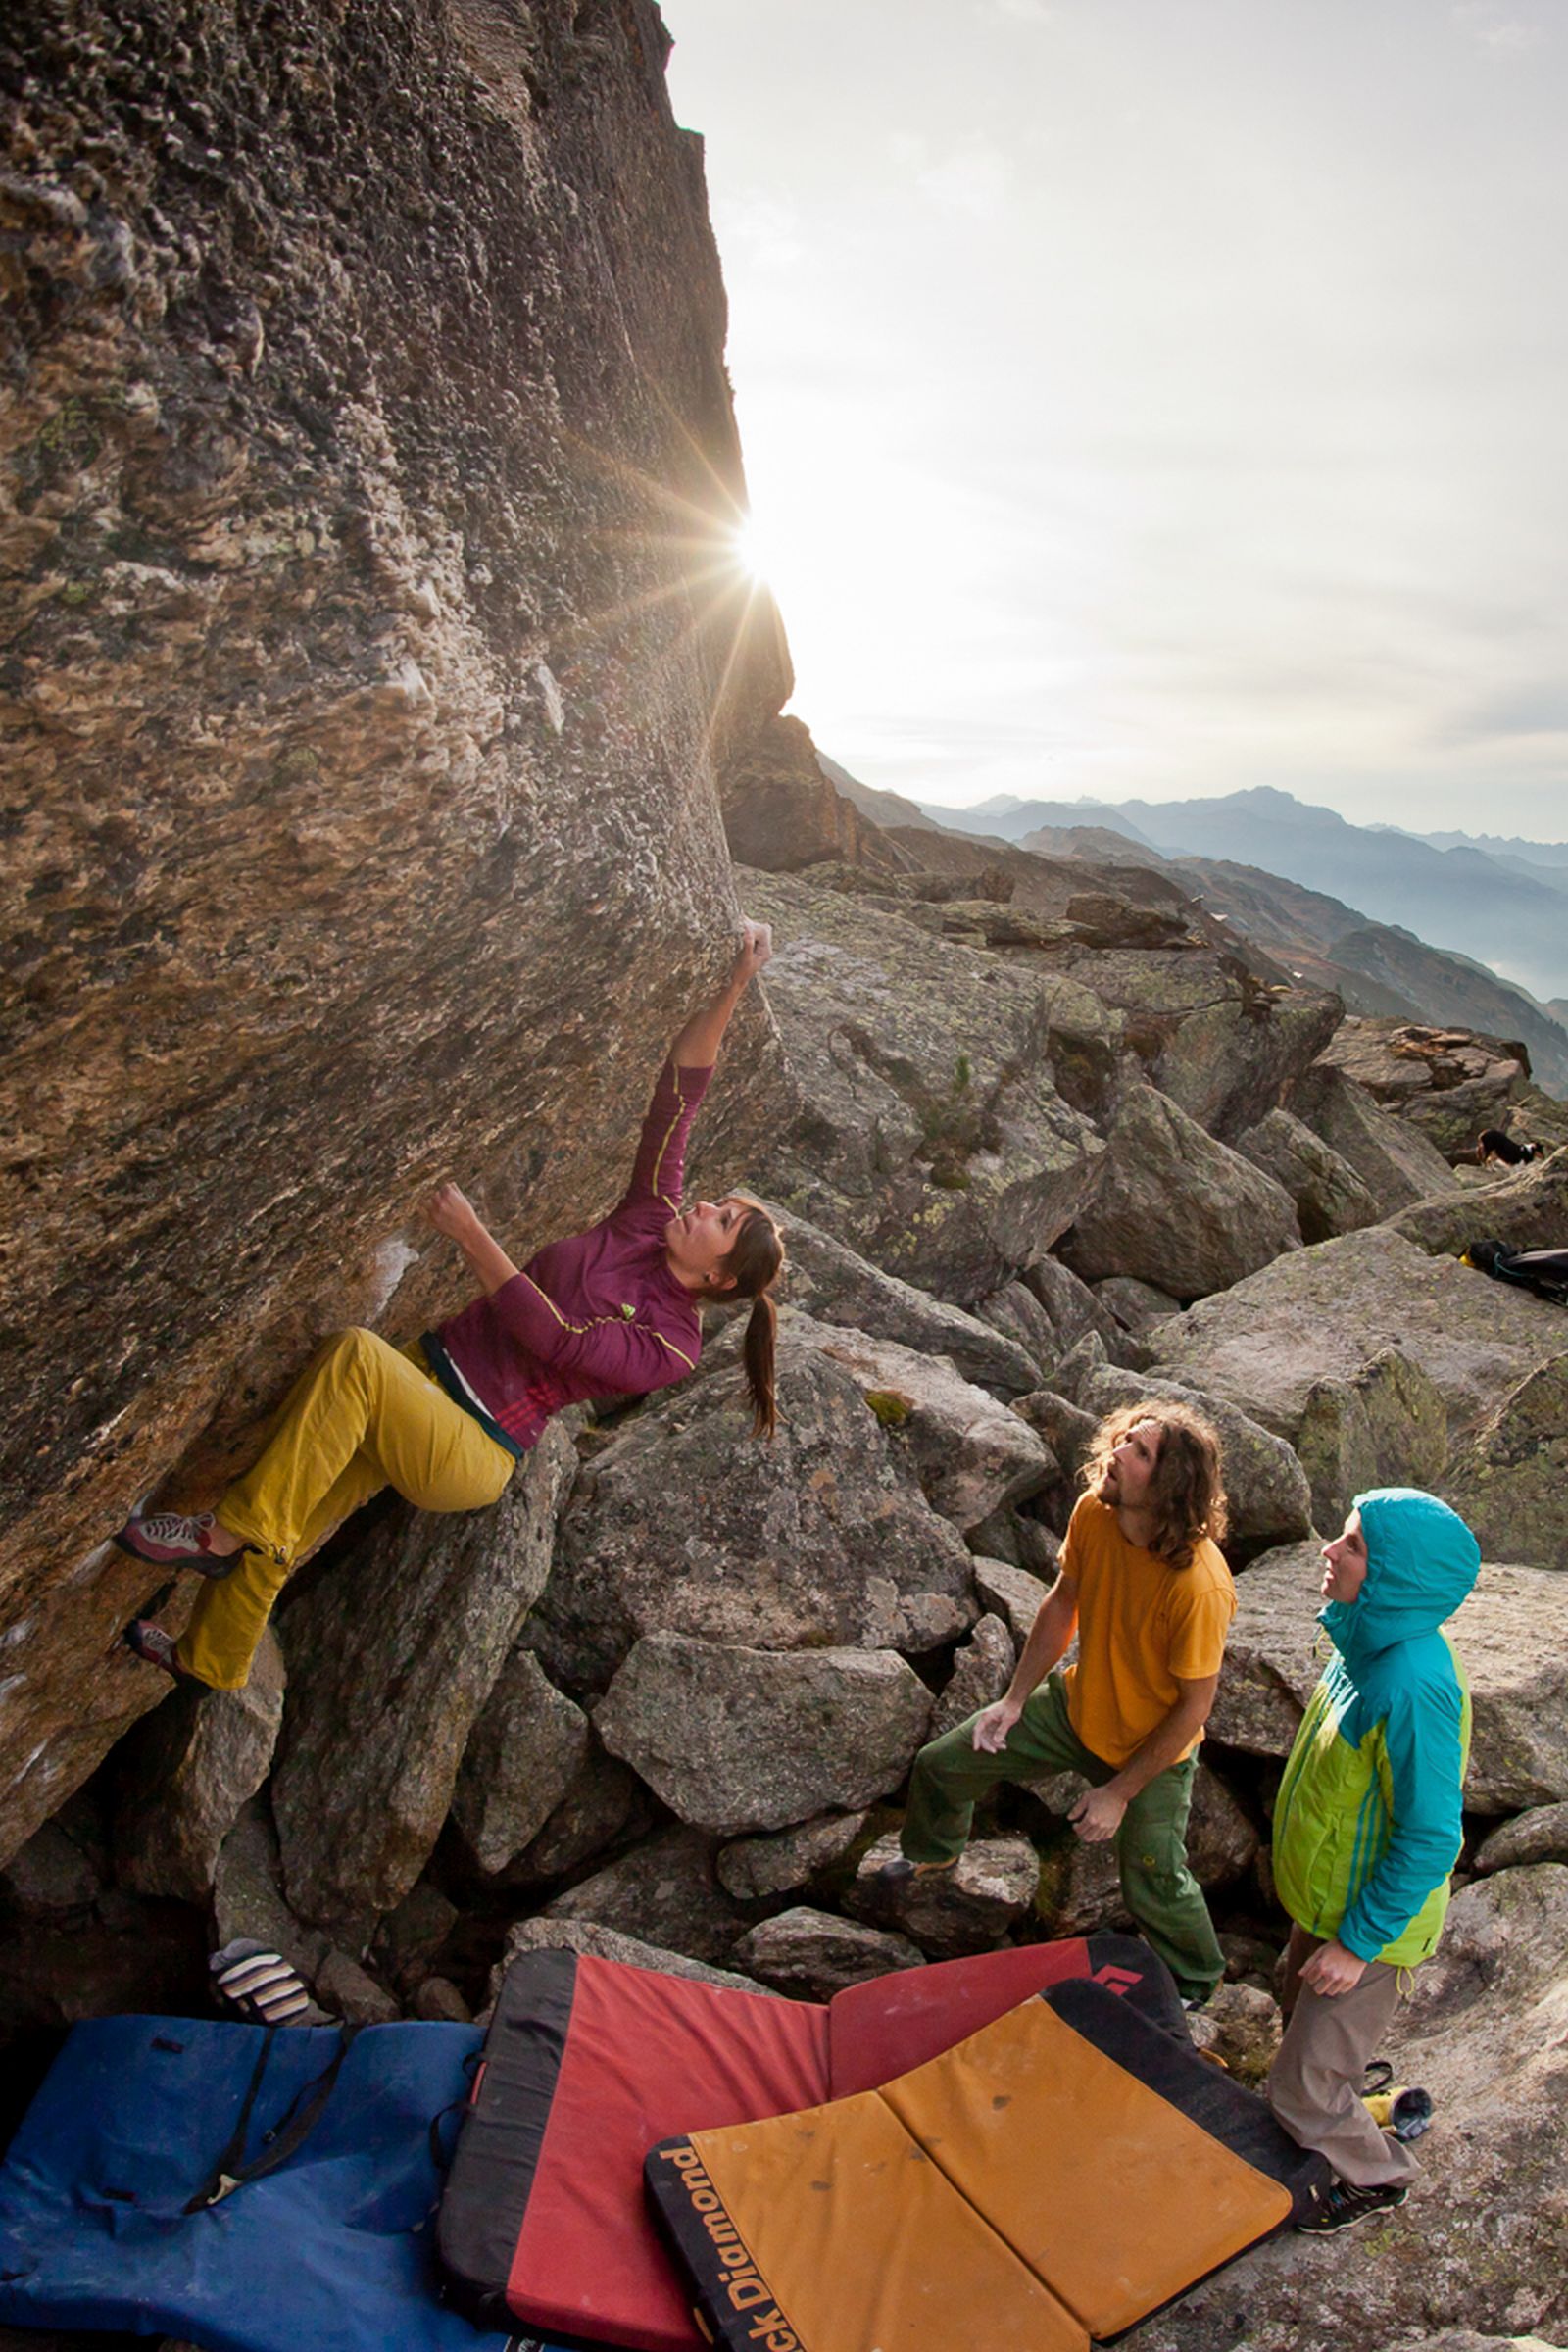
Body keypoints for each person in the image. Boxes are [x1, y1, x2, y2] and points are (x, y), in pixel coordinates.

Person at [116, 923, 784, 1690]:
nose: (701, 1206)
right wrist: (736, 980)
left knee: (353, 1360)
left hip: (470, 1444)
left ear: (722, 1279)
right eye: (715, 1203)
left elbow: (559, 1340)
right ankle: (213, 1660)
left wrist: (472, 1235)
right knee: (292, 1506)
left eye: (721, 1221)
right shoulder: (649, 1216)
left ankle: (221, 1533)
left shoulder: (673, 1346)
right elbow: (679, 1095)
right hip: (423, 1376)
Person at [882, 1402, 1236, 2007]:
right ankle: (932, 1857)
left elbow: (1193, 1709)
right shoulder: (1095, 1513)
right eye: (1124, 1438)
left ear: (1170, 1484)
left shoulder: (1198, 1586)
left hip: (1152, 1751)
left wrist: (1119, 1793)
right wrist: (1014, 1701)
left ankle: (1199, 1983)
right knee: (944, 1764)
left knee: (1153, 1873)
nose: (1118, 1452)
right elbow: (1061, 1603)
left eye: (1140, 1452)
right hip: (1075, 1709)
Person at [1268, 1488, 1478, 2235]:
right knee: (1297, 2012)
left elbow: (1429, 1836)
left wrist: (1357, 1944)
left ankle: (1376, 2175)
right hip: (1330, 1901)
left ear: (1392, 1575)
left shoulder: (1414, 1685)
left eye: (1352, 1545)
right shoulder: (1367, 1639)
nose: (1329, 1550)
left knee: (1299, 2092)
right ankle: (1342, 2080)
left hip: (1370, 1926)